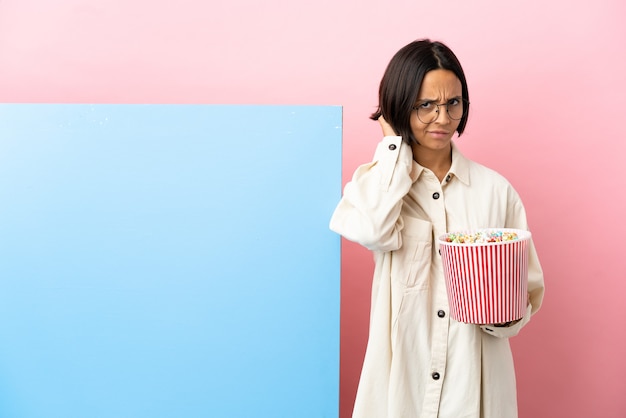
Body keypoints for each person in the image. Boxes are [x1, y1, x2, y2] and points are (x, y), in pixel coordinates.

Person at [329, 39, 545, 418]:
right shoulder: (379, 185)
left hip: (474, 388)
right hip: (402, 389)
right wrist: (393, 146)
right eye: (425, 105)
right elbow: (370, 230)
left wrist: (504, 313)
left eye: (453, 104)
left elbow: (527, 292)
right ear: (400, 106)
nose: (443, 118)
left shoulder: (496, 191)